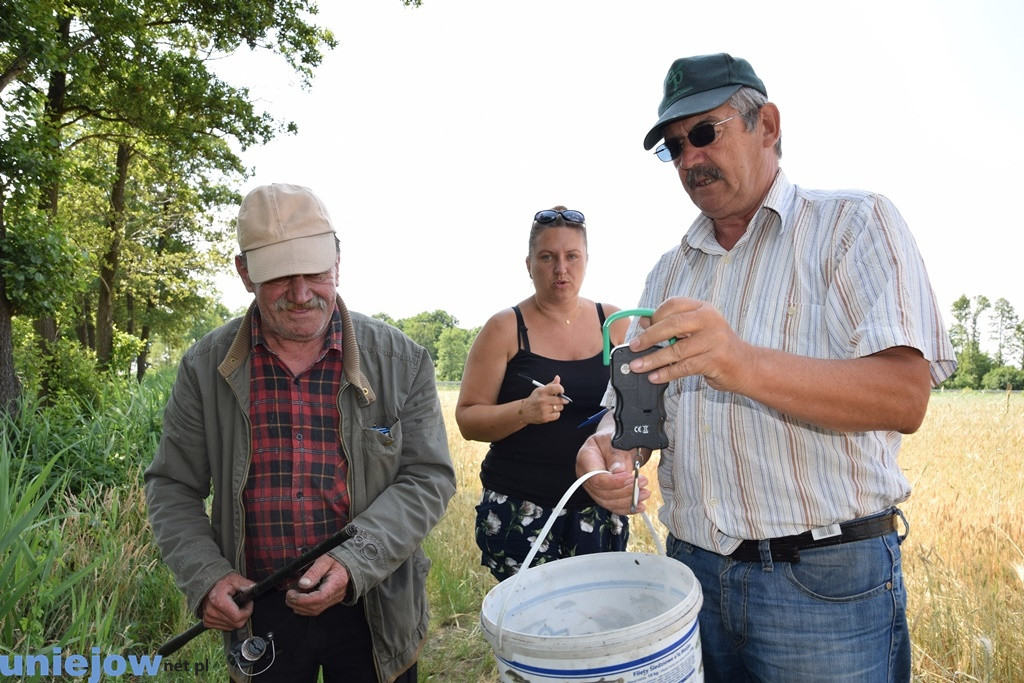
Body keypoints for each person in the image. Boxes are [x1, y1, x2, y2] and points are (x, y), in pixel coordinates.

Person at [577, 54, 956, 682]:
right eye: (673, 147)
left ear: (768, 126)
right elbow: (631, 419)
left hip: (825, 588)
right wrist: (606, 461)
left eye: (705, 133)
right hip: (694, 576)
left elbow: (904, 396)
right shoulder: (668, 274)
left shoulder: (856, 225)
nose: (690, 159)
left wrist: (741, 362)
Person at [144, 183, 456, 683]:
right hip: (258, 611)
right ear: (244, 273)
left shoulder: (402, 361)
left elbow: (428, 478)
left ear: (338, 261)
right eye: (279, 278)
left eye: (315, 272)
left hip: (375, 606)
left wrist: (354, 562)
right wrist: (207, 577)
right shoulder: (204, 368)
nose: (301, 293)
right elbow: (172, 486)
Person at [456, 206, 631, 581]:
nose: (560, 269)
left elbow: (637, 412)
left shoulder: (615, 324)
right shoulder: (504, 328)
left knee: (598, 625)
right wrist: (524, 411)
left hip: (597, 509)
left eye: (572, 257)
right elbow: (468, 419)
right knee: (534, 631)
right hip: (519, 509)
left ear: (586, 261)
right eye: (547, 257)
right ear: (528, 263)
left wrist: (625, 463)